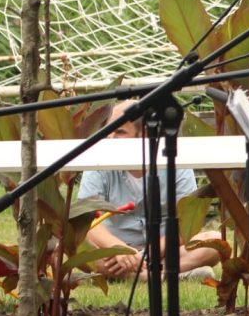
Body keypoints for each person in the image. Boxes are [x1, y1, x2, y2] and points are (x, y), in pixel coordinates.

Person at [77, 100, 221, 281]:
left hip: (163, 252)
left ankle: (137, 275)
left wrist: (147, 254)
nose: (110, 138)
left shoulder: (175, 161)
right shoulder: (100, 160)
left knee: (214, 242)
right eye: (109, 131)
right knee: (73, 247)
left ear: (145, 134)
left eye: (120, 132)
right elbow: (87, 220)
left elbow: (185, 226)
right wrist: (118, 248)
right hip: (114, 253)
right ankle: (165, 275)